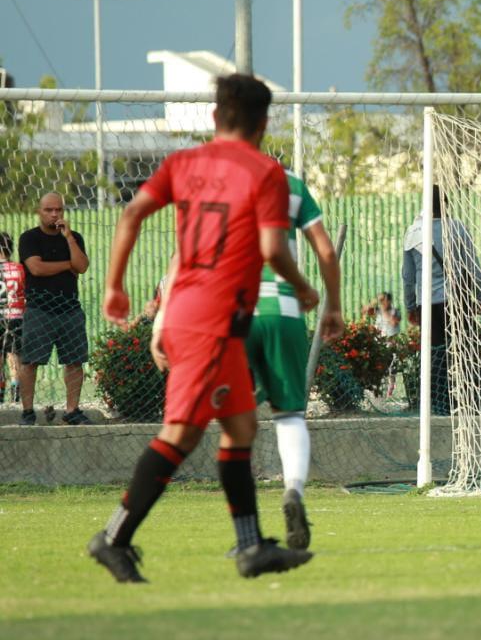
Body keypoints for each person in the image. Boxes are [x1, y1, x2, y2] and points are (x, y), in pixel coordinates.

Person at [86, 74, 319, 584]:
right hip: (210, 321)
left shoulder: (182, 163)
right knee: (180, 435)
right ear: (263, 124)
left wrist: (114, 286)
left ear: (215, 117)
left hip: (202, 315)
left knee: (241, 427)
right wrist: (303, 287)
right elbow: (274, 250)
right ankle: (114, 536)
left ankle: (251, 546)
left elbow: (131, 214)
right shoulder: (265, 172)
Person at [245, 167, 343, 552]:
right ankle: (293, 491)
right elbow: (326, 250)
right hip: (285, 309)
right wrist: (332, 305)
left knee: (238, 416)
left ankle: (246, 525)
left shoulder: (218, 179)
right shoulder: (291, 185)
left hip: (236, 311)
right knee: (289, 415)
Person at [403, 186, 481, 414]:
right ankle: (472, 402)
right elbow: (473, 266)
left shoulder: (413, 233)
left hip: (427, 304)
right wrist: (478, 296)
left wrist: (410, 306)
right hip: (456, 302)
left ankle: (439, 405)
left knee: (435, 355)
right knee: (465, 351)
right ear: (446, 204)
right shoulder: (458, 228)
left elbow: (408, 277)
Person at [17, 192, 90, 425]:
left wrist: (68, 238)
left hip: (69, 308)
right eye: (49, 210)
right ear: (40, 212)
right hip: (39, 308)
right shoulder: (30, 238)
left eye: (58, 209)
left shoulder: (74, 237)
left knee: (75, 361)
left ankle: (72, 411)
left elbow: (82, 266)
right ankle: (28, 412)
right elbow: (36, 268)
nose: (54, 214)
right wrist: (67, 265)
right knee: (30, 361)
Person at [1, 232, 24, 404]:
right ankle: (16, 394)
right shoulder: (19, 268)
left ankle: (0, 393)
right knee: (14, 356)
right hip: (16, 315)